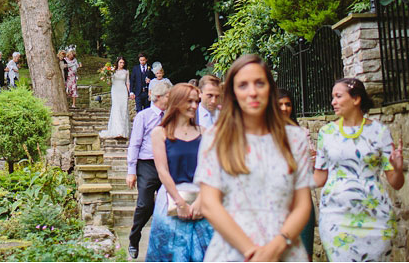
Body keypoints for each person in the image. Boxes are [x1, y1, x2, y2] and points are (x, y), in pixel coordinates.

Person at [191, 54, 313, 262]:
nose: (253, 92)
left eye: (259, 83)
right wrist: (251, 252)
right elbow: (210, 203)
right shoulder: (216, 138)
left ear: (270, 89)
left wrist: (275, 247)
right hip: (232, 251)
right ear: (233, 93)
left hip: (285, 250)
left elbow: (302, 204)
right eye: (243, 85)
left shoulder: (295, 138)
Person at [314, 78, 404, 262]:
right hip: (336, 218)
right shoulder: (326, 134)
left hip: (375, 217)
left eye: (338, 96)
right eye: (333, 97)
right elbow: (318, 179)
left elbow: (396, 183)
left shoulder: (380, 132)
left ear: (356, 99)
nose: (333, 102)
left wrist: (398, 169)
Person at [146, 83, 215, 262]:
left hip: (202, 201)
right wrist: (180, 203)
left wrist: (201, 201)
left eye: (196, 101)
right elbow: (162, 170)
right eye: (189, 101)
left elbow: (211, 170)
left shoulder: (205, 133)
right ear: (176, 102)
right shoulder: (159, 133)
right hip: (171, 198)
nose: (194, 106)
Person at [126, 79, 173, 259]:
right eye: (169, 96)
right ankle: (134, 238)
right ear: (159, 97)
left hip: (167, 165)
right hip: (146, 164)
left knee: (168, 206)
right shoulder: (143, 116)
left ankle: (165, 245)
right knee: (145, 204)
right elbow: (134, 143)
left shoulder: (171, 117)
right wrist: (131, 171)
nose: (171, 99)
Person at [276, 88, 316, 261]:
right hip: (277, 203)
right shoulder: (263, 134)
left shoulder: (301, 133)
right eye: (280, 104)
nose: (285, 108)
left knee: (305, 254)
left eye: (288, 104)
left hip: (301, 200)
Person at [100, 56, 131, 139]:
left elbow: (127, 82)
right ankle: (117, 131)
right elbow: (109, 82)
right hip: (115, 90)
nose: (122, 64)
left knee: (123, 109)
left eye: (123, 63)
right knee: (116, 109)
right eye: (120, 62)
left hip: (123, 90)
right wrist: (106, 76)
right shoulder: (112, 71)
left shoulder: (126, 71)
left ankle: (123, 131)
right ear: (117, 62)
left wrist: (129, 92)